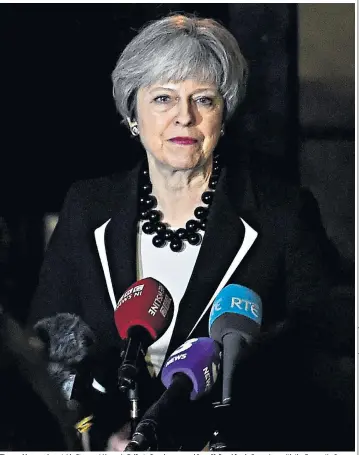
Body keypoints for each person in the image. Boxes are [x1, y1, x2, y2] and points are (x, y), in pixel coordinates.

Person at [28, 13, 349, 451]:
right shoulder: (88, 206)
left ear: (223, 114)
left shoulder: (282, 213)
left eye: (204, 99)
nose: (184, 117)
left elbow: (325, 357)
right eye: (163, 98)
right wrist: (102, 437)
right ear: (133, 112)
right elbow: (49, 356)